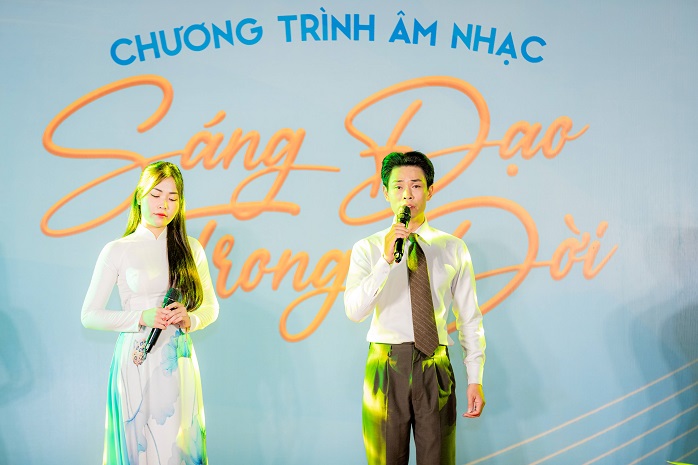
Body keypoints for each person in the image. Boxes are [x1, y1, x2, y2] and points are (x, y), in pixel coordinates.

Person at [344, 151, 486, 465]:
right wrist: (385, 261)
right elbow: (354, 311)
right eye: (398, 186)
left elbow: (469, 317)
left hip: (435, 363)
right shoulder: (367, 248)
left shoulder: (452, 248)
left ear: (430, 191)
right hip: (385, 364)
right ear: (385, 193)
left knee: (438, 459)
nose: (407, 194)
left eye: (416, 185)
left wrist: (474, 377)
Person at [82, 161, 219, 465]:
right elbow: (89, 315)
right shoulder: (117, 249)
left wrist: (192, 318)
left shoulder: (191, 249)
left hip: (177, 359)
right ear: (139, 197)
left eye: (172, 197)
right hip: (136, 357)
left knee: (176, 445)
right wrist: (139, 317)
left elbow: (211, 307)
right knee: (136, 445)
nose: (163, 204)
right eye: (156, 195)